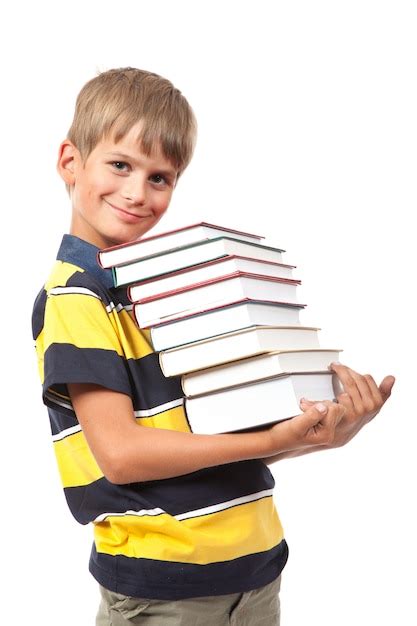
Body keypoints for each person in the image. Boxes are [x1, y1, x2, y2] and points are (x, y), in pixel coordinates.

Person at [32, 67, 395, 625]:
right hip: (166, 590)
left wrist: (314, 438)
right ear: (70, 161)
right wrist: (273, 438)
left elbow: (196, 449)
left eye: (160, 178)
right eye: (120, 165)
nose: (136, 192)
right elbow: (123, 456)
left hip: (253, 576)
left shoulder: (154, 293)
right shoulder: (75, 297)